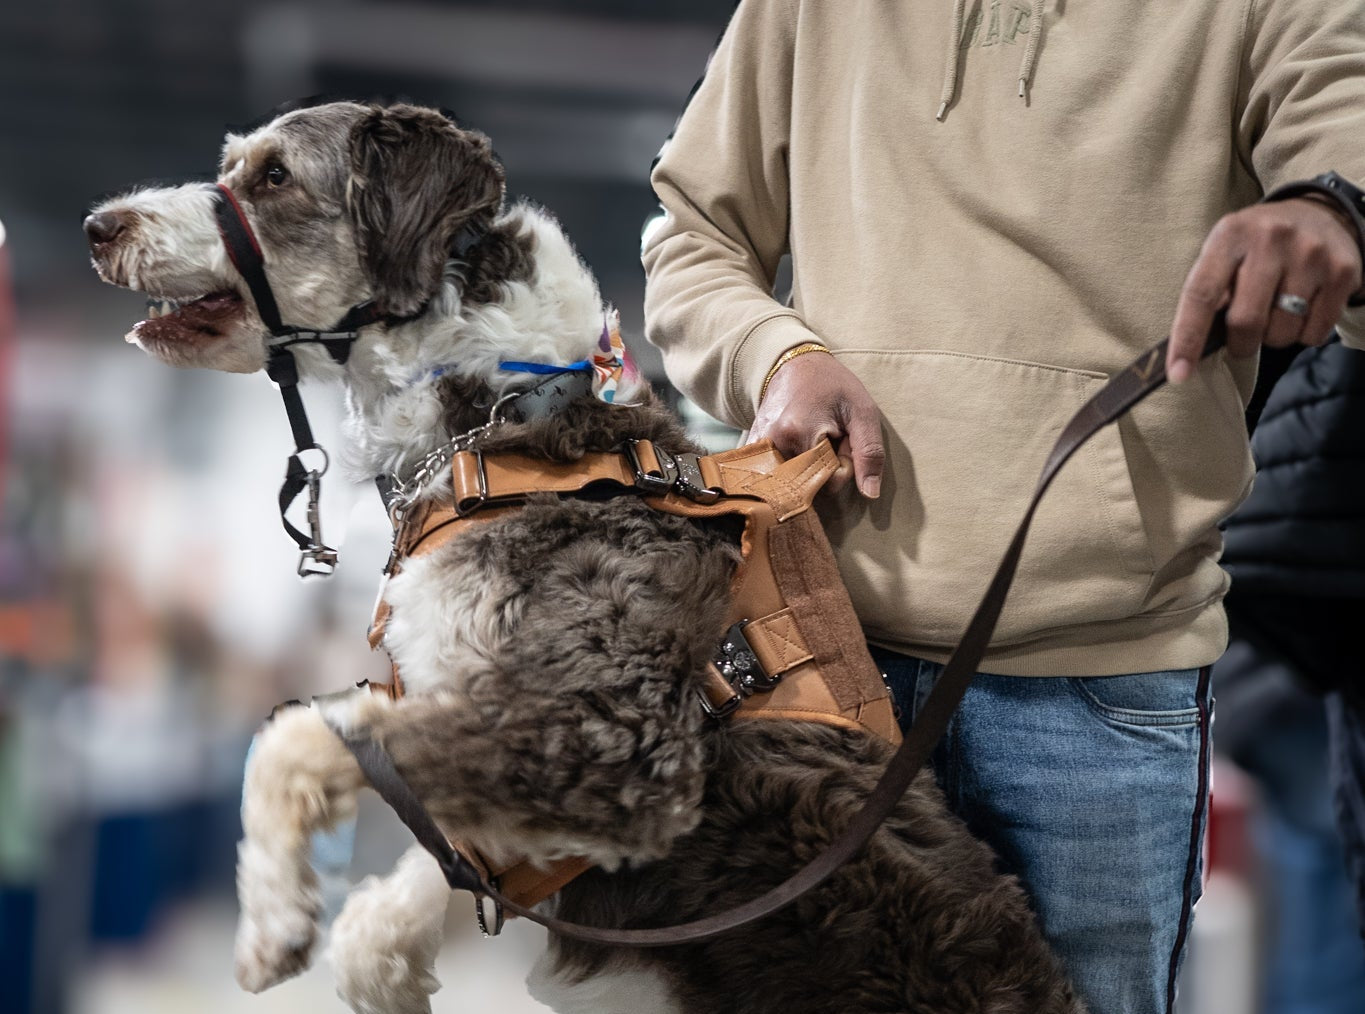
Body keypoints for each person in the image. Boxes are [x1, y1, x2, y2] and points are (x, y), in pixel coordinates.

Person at [641, 3, 1365, 1013]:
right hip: (814, 673)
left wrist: (1334, 209)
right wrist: (778, 357)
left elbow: (1346, 125)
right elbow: (693, 234)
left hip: (1102, 692)